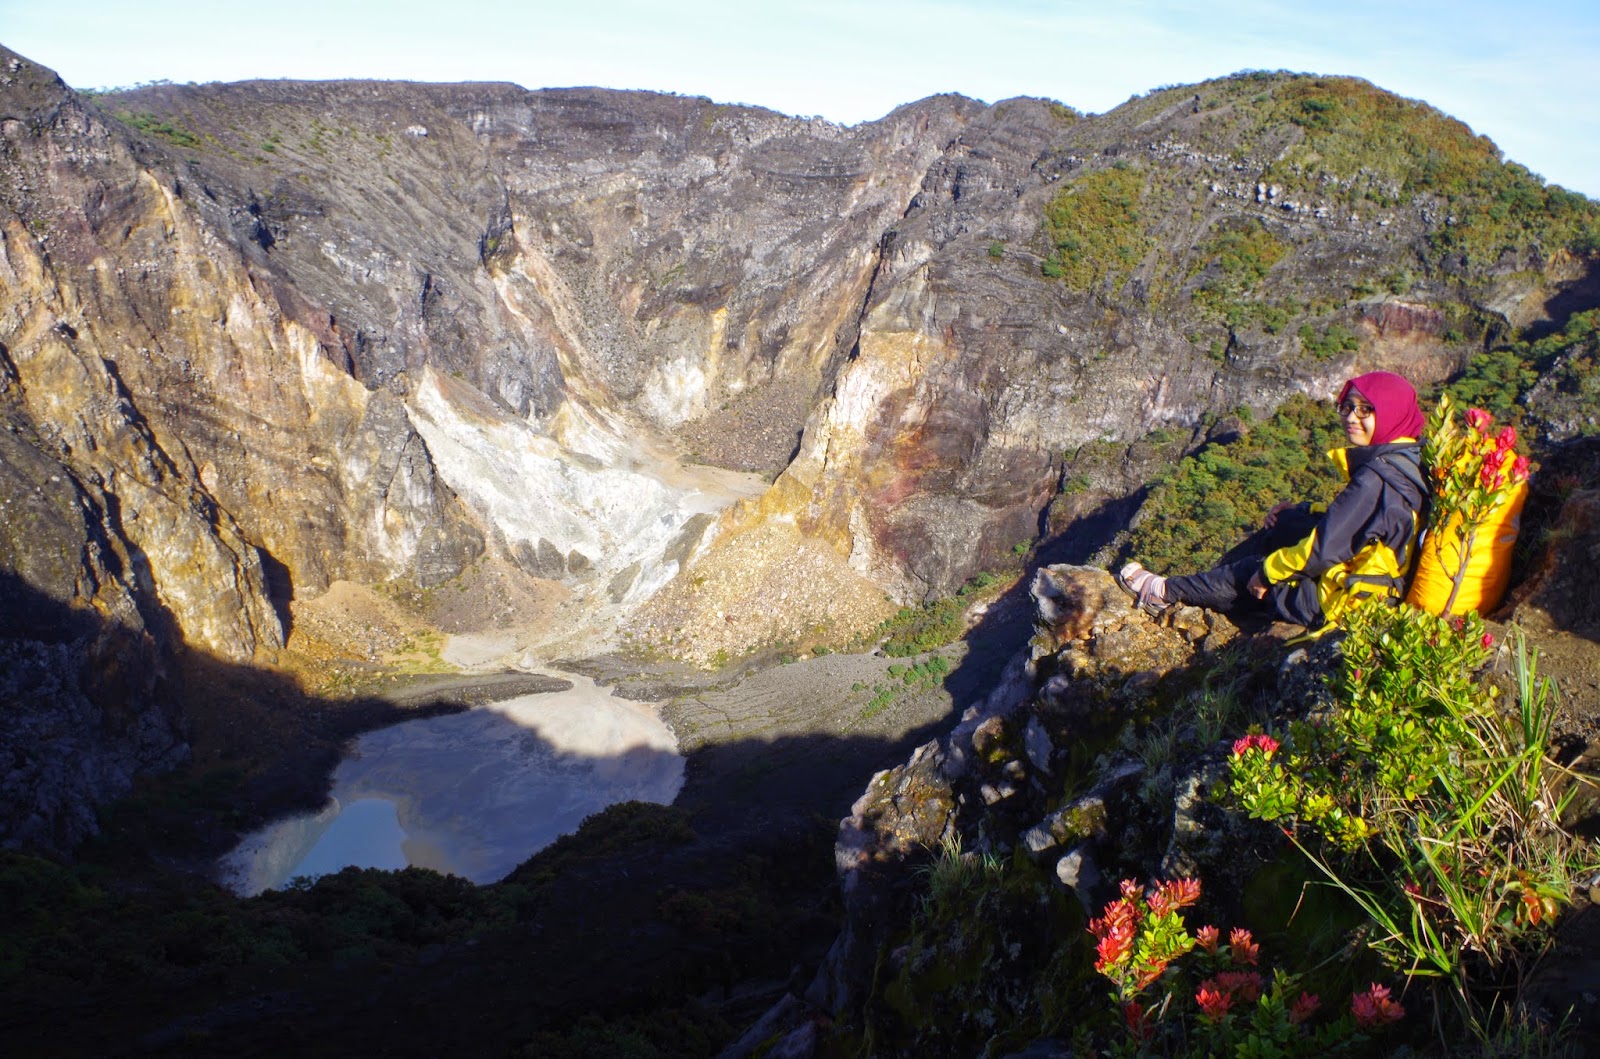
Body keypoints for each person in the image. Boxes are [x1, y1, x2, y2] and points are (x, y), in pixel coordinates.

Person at [1116, 371, 1429, 632]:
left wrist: (1266, 574)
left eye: (1365, 409)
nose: (1350, 417)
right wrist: (1306, 511)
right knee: (1286, 524)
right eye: (1347, 406)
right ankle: (1209, 586)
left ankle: (1164, 592)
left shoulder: (1376, 479)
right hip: (1374, 571)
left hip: (1349, 601)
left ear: (1390, 412)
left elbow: (1324, 550)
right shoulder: (1405, 456)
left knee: (1252, 570)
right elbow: (1366, 522)